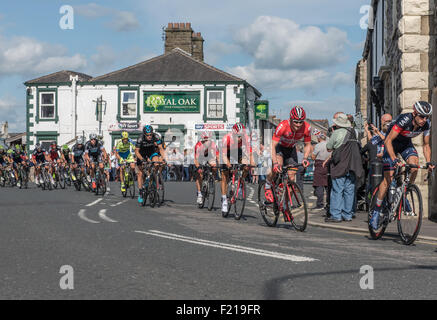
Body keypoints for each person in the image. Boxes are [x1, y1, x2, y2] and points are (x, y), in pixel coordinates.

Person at [369, 101, 435, 229]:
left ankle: (404, 190)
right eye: (421, 116)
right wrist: (394, 158)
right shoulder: (404, 119)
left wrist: (428, 161)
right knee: (388, 178)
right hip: (390, 145)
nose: (424, 119)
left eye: (427, 117)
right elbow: (388, 140)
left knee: (415, 166)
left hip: (405, 145)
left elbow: (426, 145)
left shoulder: (426, 124)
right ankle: (376, 211)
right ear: (415, 113)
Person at [264, 106, 312, 206]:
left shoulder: (307, 128)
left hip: (291, 149)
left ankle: (284, 201)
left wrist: (305, 158)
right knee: (277, 167)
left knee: (291, 177)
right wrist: (275, 163)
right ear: (290, 119)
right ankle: (268, 184)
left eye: (301, 122)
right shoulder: (282, 126)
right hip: (279, 148)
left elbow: (308, 145)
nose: (298, 124)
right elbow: (272, 145)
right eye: (295, 121)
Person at [326, 113, 364, 222]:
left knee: (337, 190)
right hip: (353, 165)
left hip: (340, 165)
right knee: (349, 191)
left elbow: (329, 148)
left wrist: (333, 135)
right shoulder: (353, 132)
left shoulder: (336, 133)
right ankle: (347, 215)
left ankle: (336, 215)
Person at [220, 123, 255, 214]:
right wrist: (229, 165)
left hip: (237, 151)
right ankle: (224, 199)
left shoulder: (246, 138)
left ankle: (240, 183)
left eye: (242, 136)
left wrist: (251, 164)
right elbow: (223, 155)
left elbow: (249, 153)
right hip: (226, 152)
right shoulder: (226, 138)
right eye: (238, 136)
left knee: (246, 166)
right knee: (225, 176)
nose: (240, 138)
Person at [135, 125, 166, 204]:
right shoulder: (140, 138)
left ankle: (153, 178)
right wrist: (142, 160)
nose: (149, 136)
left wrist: (163, 158)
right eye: (148, 135)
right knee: (140, 173)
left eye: (151, 134)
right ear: (144, 134)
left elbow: (161, 148)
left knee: (156, 163)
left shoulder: (156, 137)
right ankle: (141, 192)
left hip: (151, 152)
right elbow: (136, 151)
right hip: (141, 154)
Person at [194, 131, 219, 204]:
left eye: (208, 140)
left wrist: (219, 165)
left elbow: (217, 156)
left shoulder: (213, 144)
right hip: (200, 157)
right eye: (205, 140)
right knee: (200, 174)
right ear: (202, 140)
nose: (207, 142)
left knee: (214, 167)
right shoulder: (198, 145)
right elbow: (196, 159)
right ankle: (199, 194)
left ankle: (211, 181)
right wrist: (198, 167)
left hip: (209, 156)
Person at [311, 131, 331, 211]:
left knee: (319, 185)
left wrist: (312, 152)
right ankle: (329, 204)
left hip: (319, 165)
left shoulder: (318, 145)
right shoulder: (329, 144)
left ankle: (320, 204)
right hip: (328, 165)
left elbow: (313, 157)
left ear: (319, 138)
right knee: (328, 186)